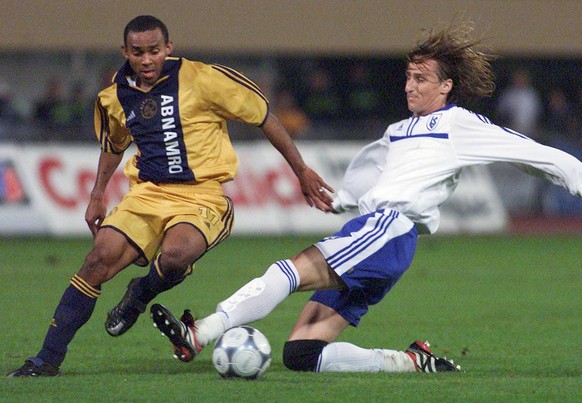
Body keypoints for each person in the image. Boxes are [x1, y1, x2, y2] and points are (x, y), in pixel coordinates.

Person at [150, 21, 582, 374]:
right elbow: (367, 172)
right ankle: (411, 362)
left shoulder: (459, 124)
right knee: (302, 355)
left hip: (389, 229)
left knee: (288, 270)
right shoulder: (399, 130)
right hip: (380, 237)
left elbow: (531, 154)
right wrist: (340, 200)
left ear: (446, 86)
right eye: (408, 78)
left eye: (421, 79)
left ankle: (202, 332)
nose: (410, 87)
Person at [6, 15, 332, 378]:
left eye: (154, 51)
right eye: (138, 52)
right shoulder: (114, 95)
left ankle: (139, 296)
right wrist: (97, 194)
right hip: (147, 194)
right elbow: (113, 144)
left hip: (203, 197)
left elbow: (264, 116)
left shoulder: (204, 79)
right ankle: (46, 360)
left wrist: (300, 169)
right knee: (98, 260)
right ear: (125, 52)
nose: (147, 60)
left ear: (169, 48)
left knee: (176, 255)